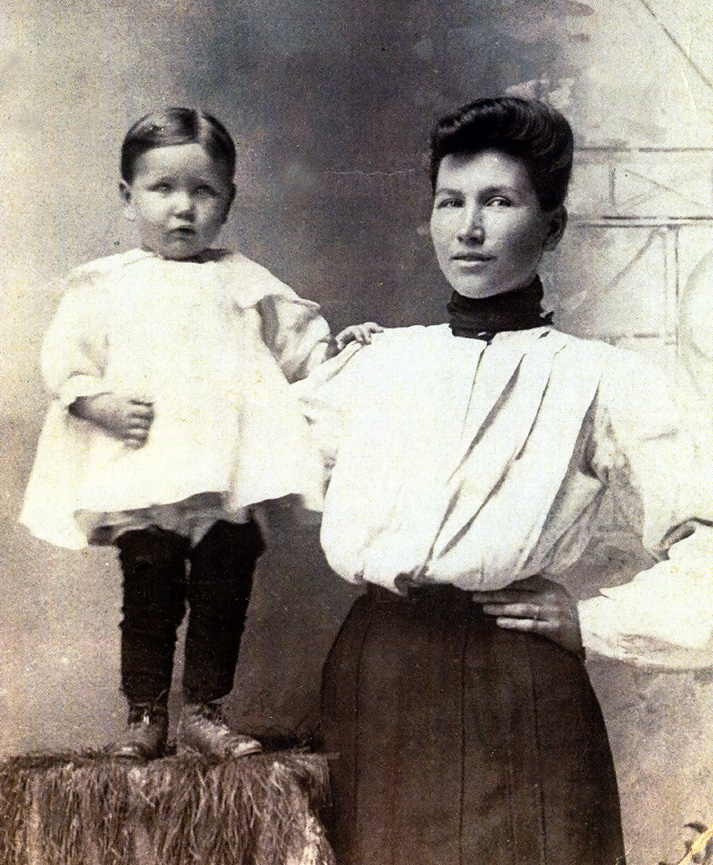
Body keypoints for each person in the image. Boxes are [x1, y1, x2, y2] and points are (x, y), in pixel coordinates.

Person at [295, 97, 713, 864]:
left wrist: (594, 622)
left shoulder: (603, 378)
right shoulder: (379, 363)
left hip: (517, 681)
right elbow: (241, 447)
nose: (468, 228)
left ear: (551, 226)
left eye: (497, 201)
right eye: (449, 202)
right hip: (379, 674)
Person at [20, 108, 380, 762]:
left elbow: (301, 352)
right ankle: (145, 713)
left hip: (224, 479)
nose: (183, 208)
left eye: (203, 191)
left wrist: (341, 349)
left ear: (229, 200)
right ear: (128, 195)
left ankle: (205, 710)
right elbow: (66, 362)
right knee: (150, 592)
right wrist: (98, 404)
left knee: (223, 589)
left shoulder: (244, 280)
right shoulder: (106, 283)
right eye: (162, 188)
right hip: (147, 475)